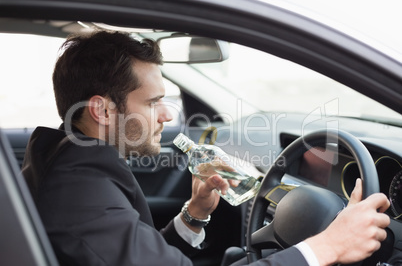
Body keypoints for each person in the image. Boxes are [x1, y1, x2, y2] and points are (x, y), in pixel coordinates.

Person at [22, 30, 391, 266]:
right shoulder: (81, 192)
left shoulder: (68, 161)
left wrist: (193, 214)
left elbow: (135, 256)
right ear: (102, 109)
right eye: (153, 102)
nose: (167, 114)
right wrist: (330, 245)